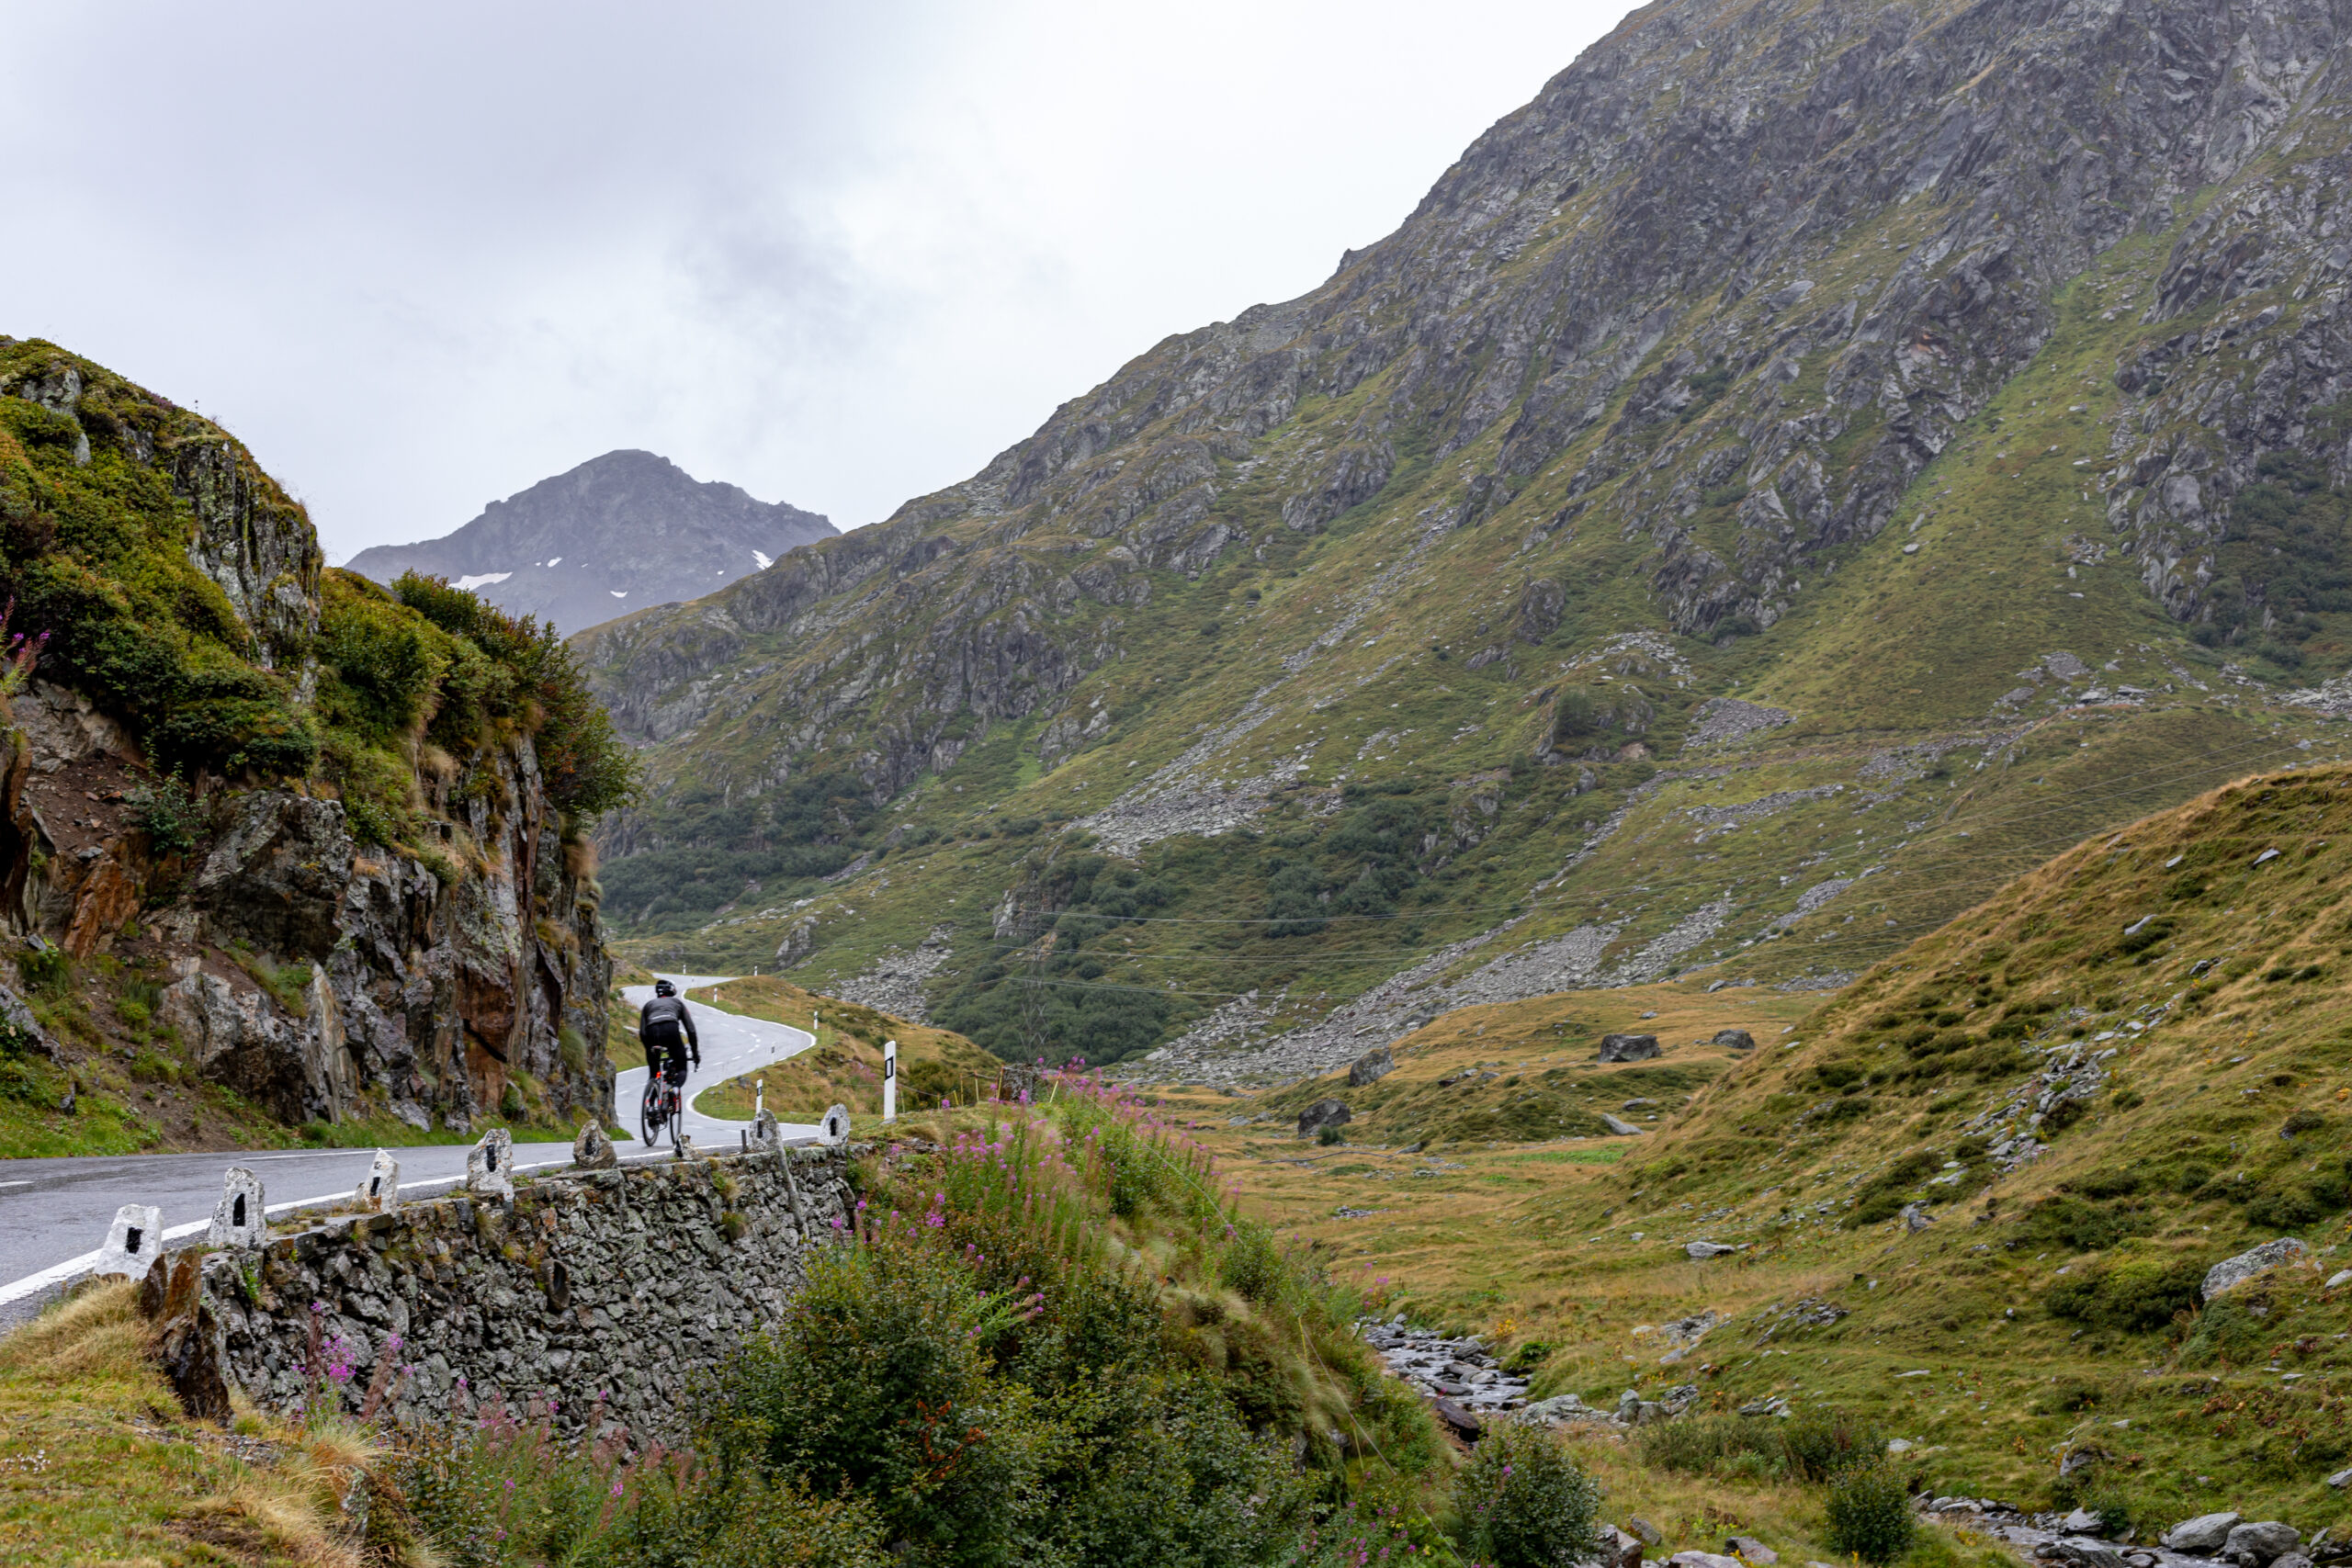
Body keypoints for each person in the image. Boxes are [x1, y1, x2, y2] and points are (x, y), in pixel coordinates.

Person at [639, 978, 700, 1091]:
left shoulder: (648, 1005)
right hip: (671, 1028)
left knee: (654, 1072)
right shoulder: (677, 1003)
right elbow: (691, 1030)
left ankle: (651, 1093)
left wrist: (649, 1049)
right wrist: (695, 1054)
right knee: (682, 1068)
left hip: (651, 1031)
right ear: (672, 991)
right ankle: (675, 1089)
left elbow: (642, 1033)